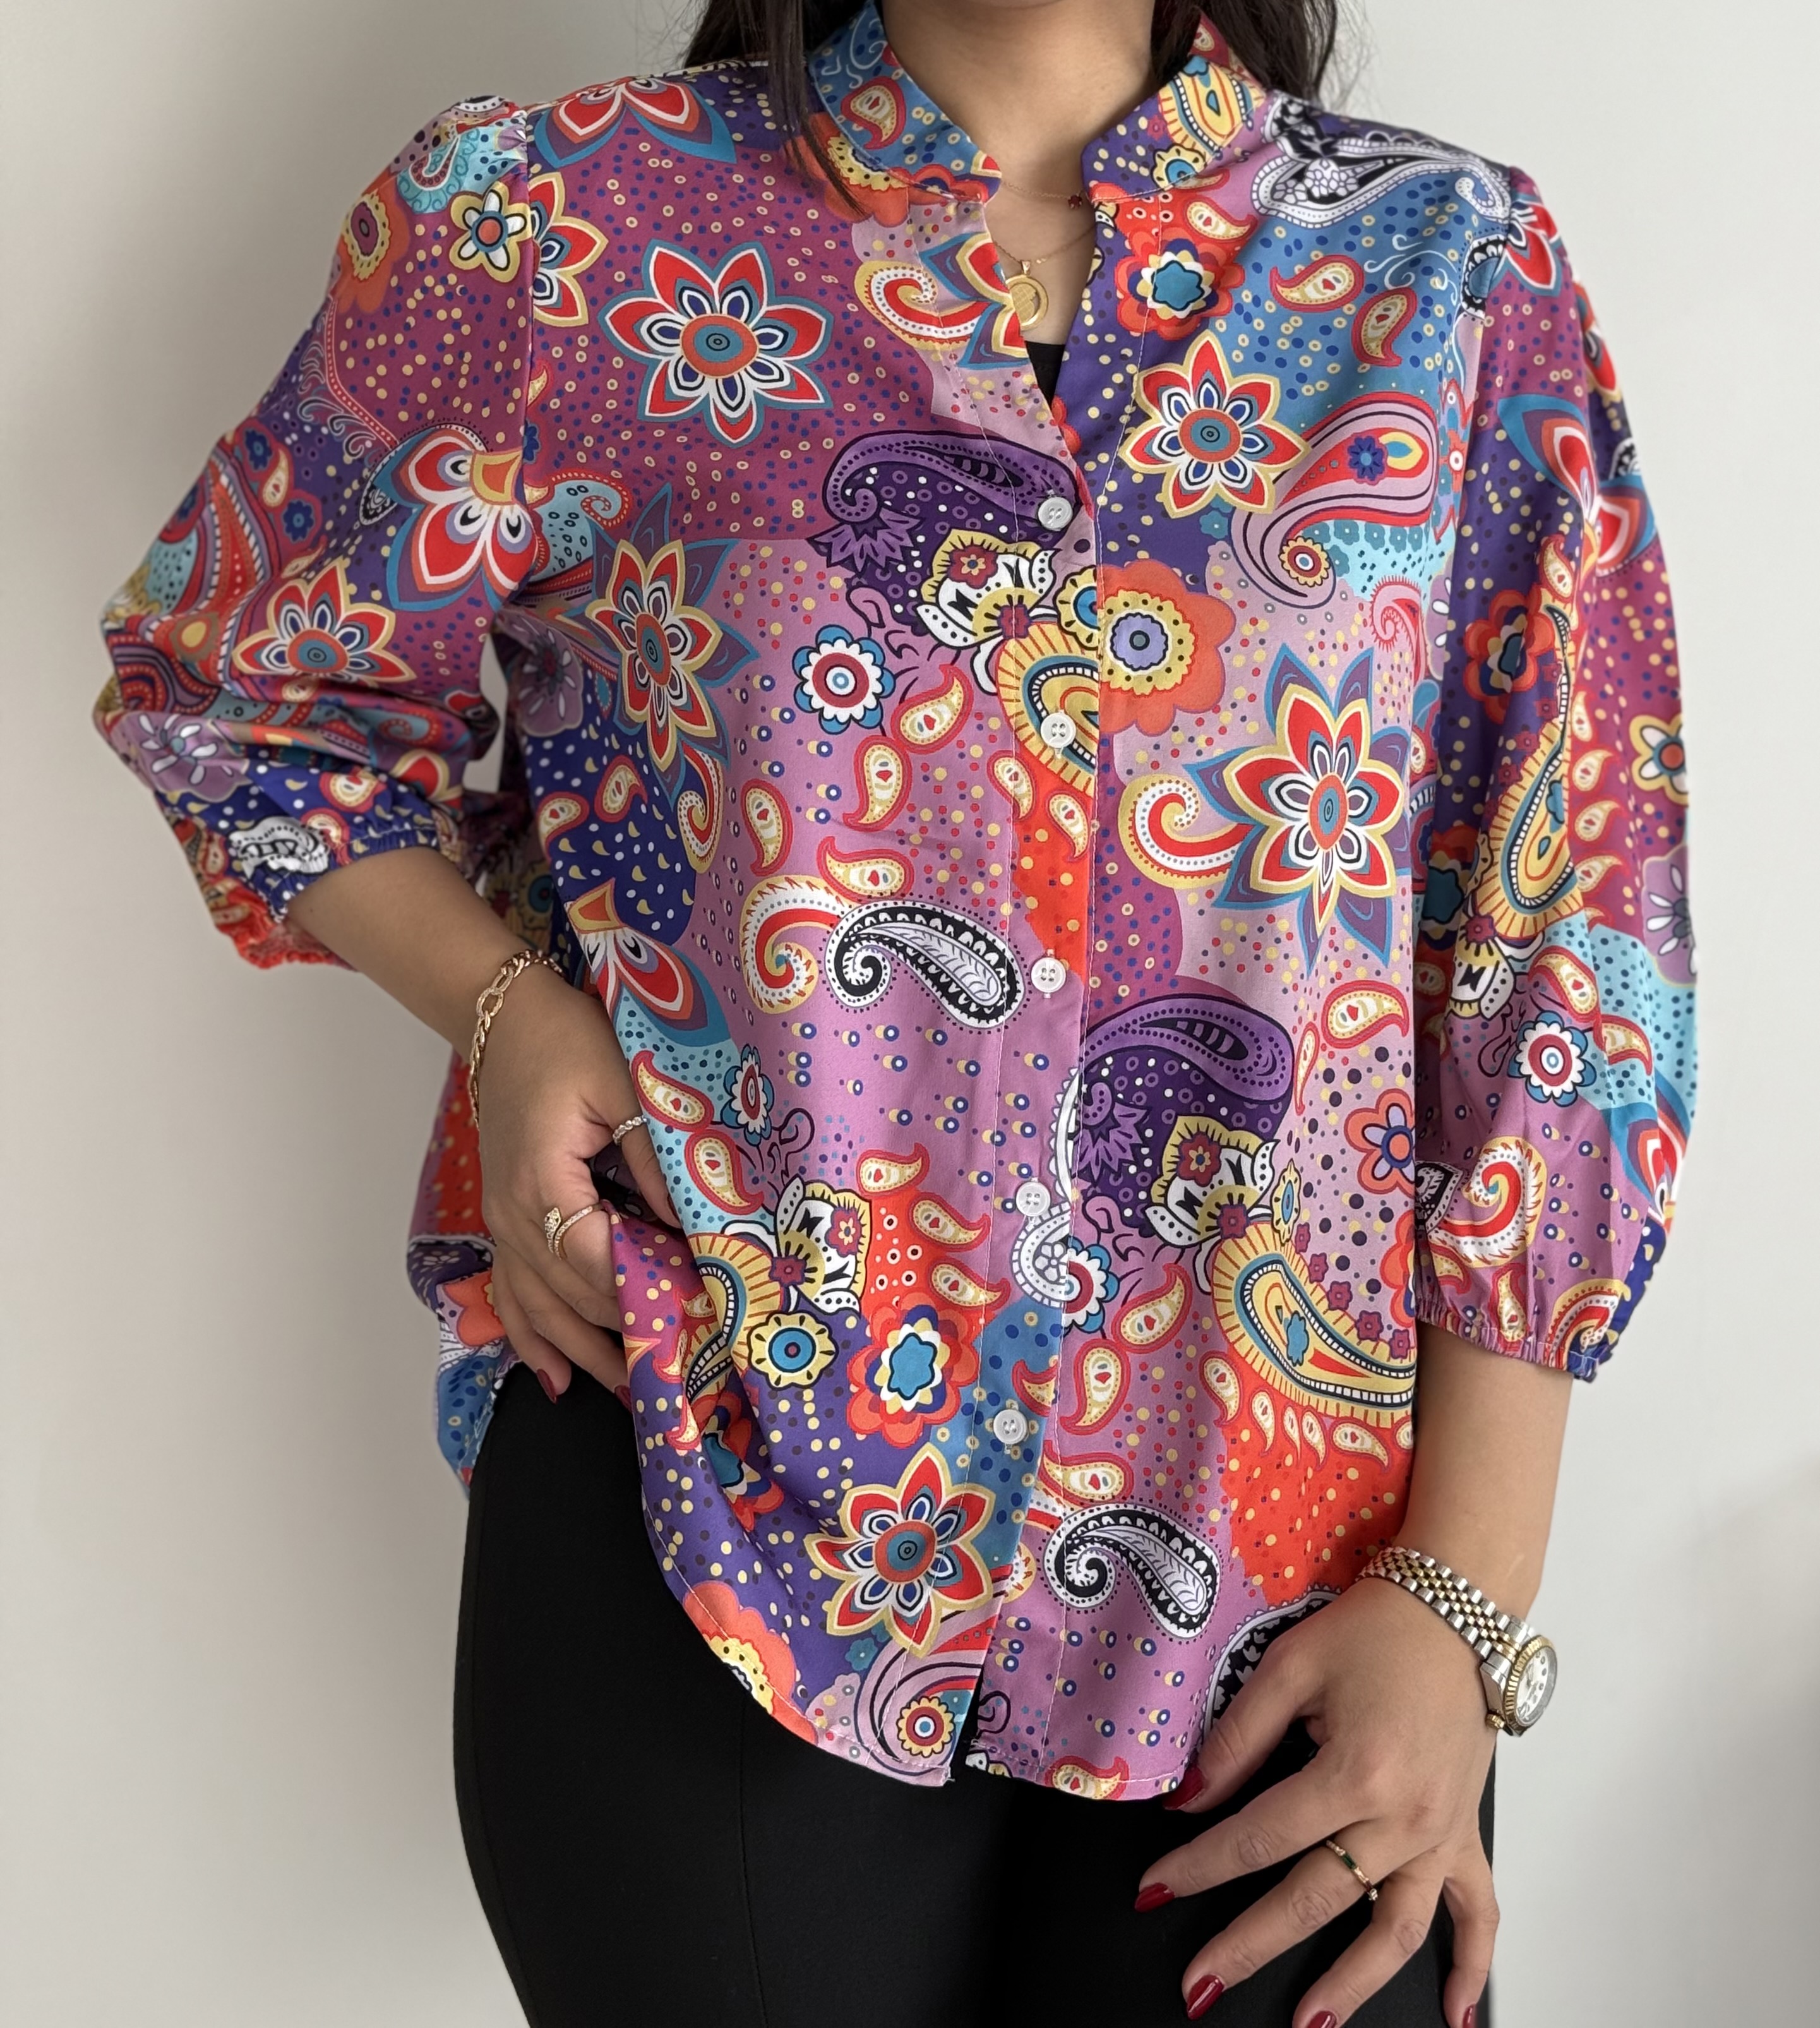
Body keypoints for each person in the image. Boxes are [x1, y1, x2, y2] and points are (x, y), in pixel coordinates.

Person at [93, 1, 1694, 2022]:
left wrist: (1462, 1599)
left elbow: (1568, 942)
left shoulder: (1449, 273)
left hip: (1285, 1566)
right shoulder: (550, 223)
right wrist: (505, 1012)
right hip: (707, 1476)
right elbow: (236, 689)